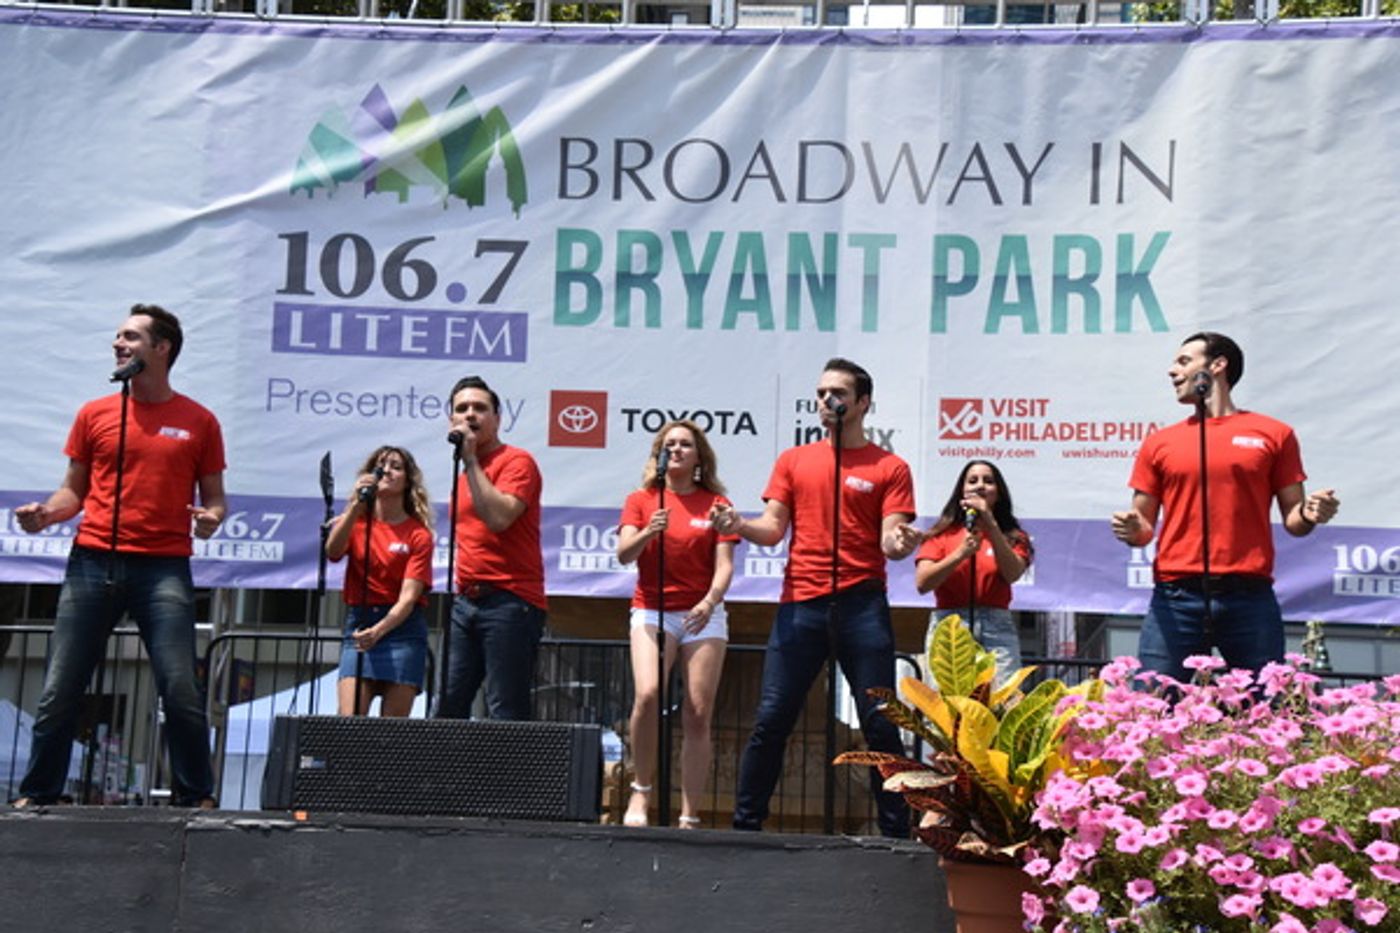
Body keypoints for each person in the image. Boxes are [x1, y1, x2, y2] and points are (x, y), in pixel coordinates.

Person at [12, 305, 225, 808]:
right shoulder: (95, 413)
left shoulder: (199, 421)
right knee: (60, 688)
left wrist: (212, 517)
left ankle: (194, 796)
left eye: (130, 336)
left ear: (161, 349)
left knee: (180, 688)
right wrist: (45, 514)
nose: (118, 344)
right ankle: (39, 794)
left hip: (163, 566)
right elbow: (72, 493)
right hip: (91, 560)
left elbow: (215, 498)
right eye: (117, 337)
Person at [712, 358, 922, 838]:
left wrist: (902, 542)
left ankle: (897, 835)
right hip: (801, 604)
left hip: (862, 605)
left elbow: (891, 540)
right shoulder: (793, 460)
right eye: (822, 392)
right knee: (771, 718)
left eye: (838, 393)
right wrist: (737, 525)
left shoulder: (890, 467)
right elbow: (771, 528)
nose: (827, 400)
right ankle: (745, 829)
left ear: (863, 403)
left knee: (880, 725)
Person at [1110, 332, 1340, 682]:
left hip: (1249, 596)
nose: (1172, 371)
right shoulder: (1159, 443)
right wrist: (1131, 530)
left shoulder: (1274, 434)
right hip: (1175, 596)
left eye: (1184, 361)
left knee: (1264, 712)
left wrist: (1310, 513)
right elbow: (1143, 526)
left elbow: (1294, 519)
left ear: (1217, 366)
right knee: (1151, 706)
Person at [616, 420, 736, 829]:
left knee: (698, 712)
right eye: (671, 445)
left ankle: (690, 814)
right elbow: (623, 555)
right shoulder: (642, 499)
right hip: (652, 609)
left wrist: (709, 601)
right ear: (660, 454)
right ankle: (641, 790)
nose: (678, 450)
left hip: (703, 612)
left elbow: (724, 569)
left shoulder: (716, 503)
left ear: (699, 455)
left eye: (686, 444)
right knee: (648, 693)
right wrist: (649, 531)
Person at [438, 375, 547, 721]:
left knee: (505, 709)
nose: (470, 415)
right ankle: (445, 777)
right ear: (451, 420)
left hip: (510, 600)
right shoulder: (463, 475)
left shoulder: (517, 462)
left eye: (480, 408)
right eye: (462, 409)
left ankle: (511, 778)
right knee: (447, 705)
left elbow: (500, 518)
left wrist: (470, 460)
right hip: (465, 601)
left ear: (498, 419)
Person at [325, 446, 434, 717]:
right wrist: (353, 509)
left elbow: (409, 597)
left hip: (401, 629)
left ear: (408, 481)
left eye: (396, 467)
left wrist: (379, 630)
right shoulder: (356, 522)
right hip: (360, 622)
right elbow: (333, 552)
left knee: (391, 734)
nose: (386, 471)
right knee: (349, 718)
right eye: (380, 466)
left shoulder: (418, 534)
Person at [915, 460, 1032, 682]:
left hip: (996, 626)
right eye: (972, 481)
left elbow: (1012, 573)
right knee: (946, 707)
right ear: (962, 491)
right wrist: (959, 554)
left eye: (988, 481)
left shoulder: (1013, 536)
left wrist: (990, 523)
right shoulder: (941, 534)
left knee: (1002, 705)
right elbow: (923, 583)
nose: (980, 486)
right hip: (950, 624)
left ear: (998, 493)